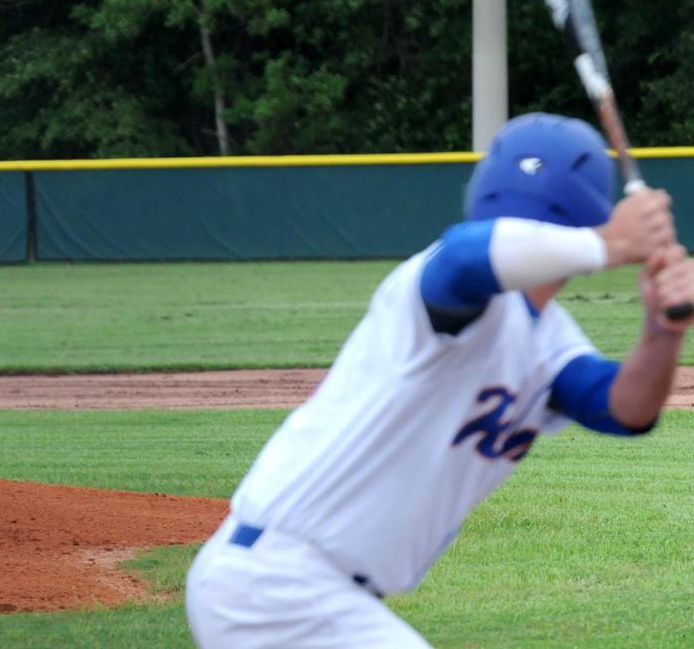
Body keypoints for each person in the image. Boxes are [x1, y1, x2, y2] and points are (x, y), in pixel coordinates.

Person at [184, 112, 694, 648]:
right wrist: (606, 244)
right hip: (279, 585)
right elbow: (466, 259)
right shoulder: (438, 286)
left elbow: (624, 410)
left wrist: (662, 330)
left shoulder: (548, 340)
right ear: (591, 212)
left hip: (303, 594)